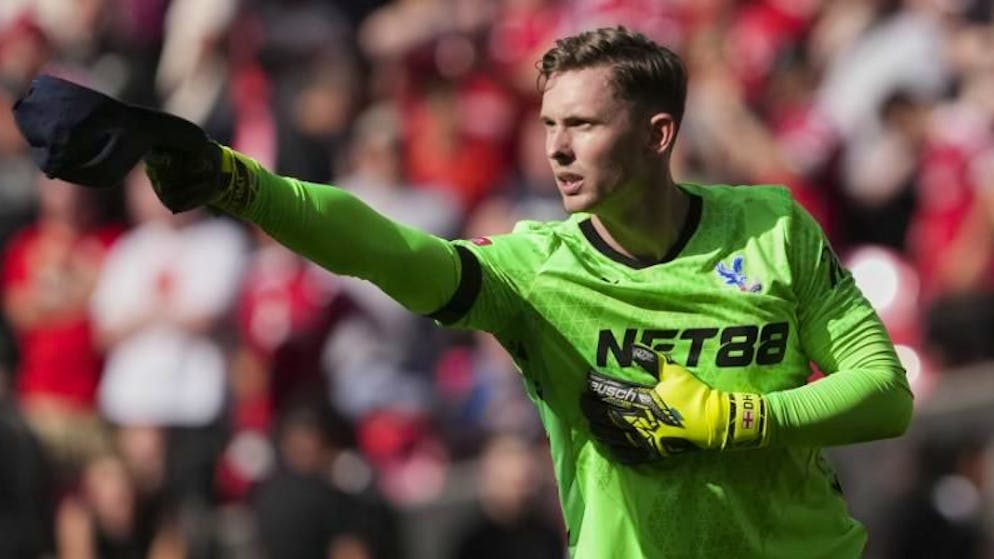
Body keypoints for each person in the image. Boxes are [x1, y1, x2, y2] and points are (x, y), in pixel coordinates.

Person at [142, 26, 912, 558]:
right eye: (548, 124)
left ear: (658, 135)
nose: (556, 147)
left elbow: (885, 393)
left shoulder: (771, 226)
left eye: (581, 123)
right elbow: (390, 251)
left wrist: (736, 419)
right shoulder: (535, 268)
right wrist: (240, 183)